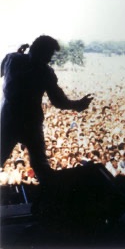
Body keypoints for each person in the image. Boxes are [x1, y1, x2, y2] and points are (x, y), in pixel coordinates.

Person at [1, 35, 93, 183]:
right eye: (48, 54)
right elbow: (58, 101)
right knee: (41, 165)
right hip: (30, 123)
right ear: (40, 52)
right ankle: (51, 201)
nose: (49, 59)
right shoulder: (45, 72)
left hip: (8, 120)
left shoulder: (12, 59)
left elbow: (3, 73)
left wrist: (19, 54)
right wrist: (77, 105)